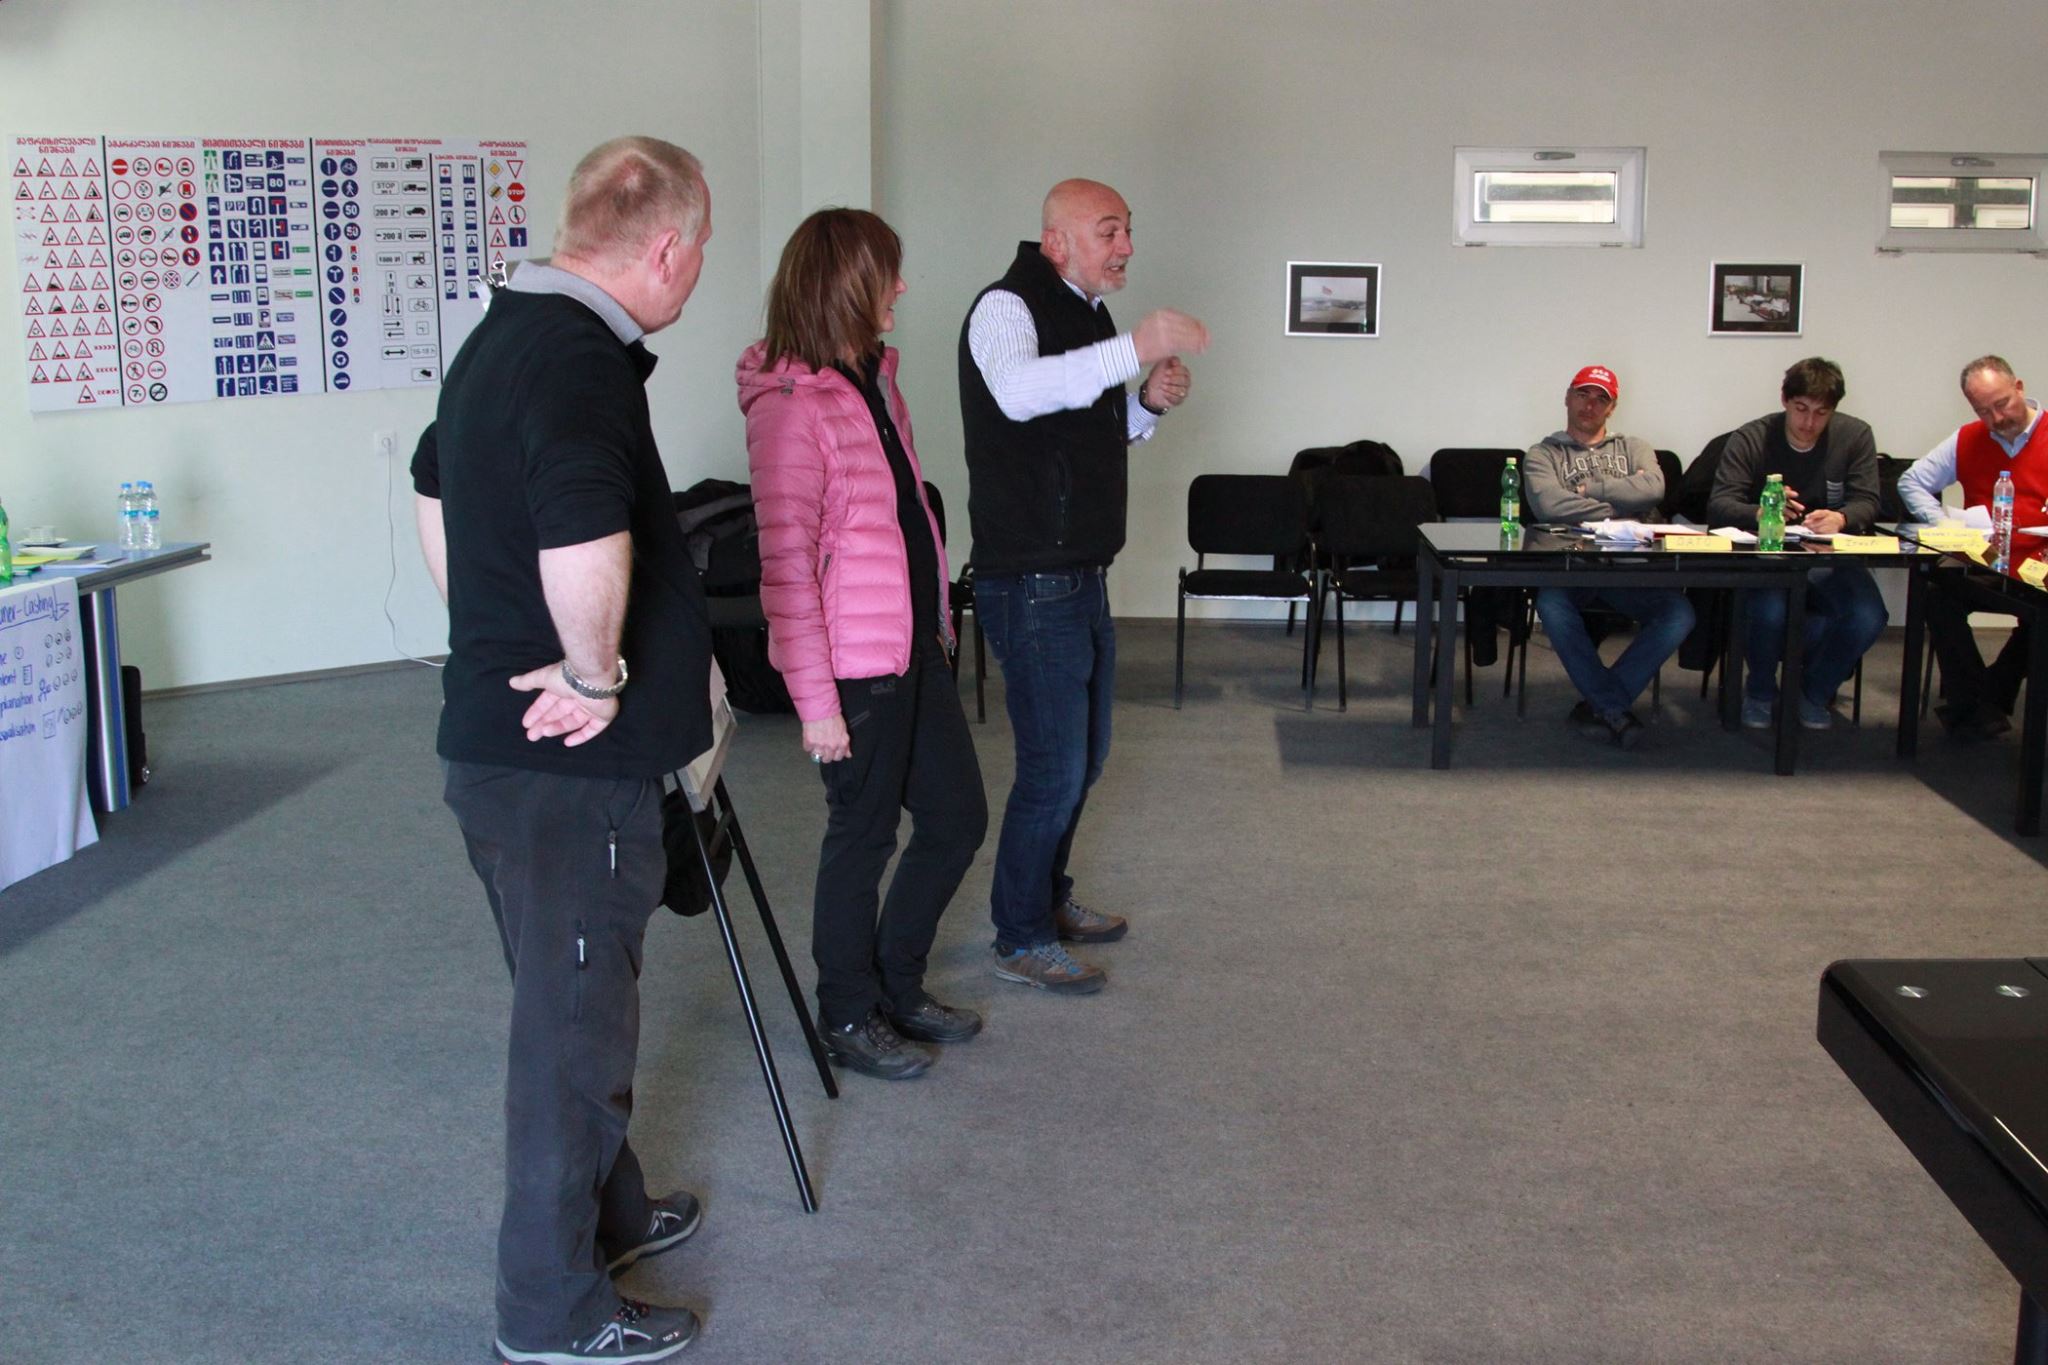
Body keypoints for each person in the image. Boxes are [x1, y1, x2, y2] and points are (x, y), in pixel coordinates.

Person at [413, 136, 714, 1365]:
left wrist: (489, 634)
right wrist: (592, 673)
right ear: (666, 247)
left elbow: (432, 483)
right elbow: (586, 520)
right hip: (563, 773)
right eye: (701, 249)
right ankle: (550, 1312)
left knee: (572, 1006)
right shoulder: (579, 359)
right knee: (568, 1043)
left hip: (505, 757)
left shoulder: (502, 334)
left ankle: (615, 1217)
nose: (697, 270)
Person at [737, 209, 988, 1081]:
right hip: (852, 668)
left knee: (956, 818)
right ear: (846, 285)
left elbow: (906, 520)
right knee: (864, 834)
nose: (902, 287)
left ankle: (896, 984)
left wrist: (940, 628)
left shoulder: (876, 380)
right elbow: (786, 566)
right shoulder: (790, 408)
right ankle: (846, 1011)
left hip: (913, 647)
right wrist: (816, 705)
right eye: (889, 272)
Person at [959, 178, 1207, 993]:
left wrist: (1146, 406)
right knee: (1053, 769)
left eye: (1128, 230)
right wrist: (1135, 349)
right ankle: (1019, 935)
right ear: (1057, 241)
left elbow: (1084, 433)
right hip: (1030, 581)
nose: (1126, 246)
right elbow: (1020, 394)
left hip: (1078, 576)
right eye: (1109, 231)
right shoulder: (1005, 307)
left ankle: (1045, 897)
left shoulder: (1088, 314)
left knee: (1085, 760)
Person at [1706, 357, 1886, 730]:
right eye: (1801, 409)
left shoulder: (1855, 436)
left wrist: (1842, 518)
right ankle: (1759, 692)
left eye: (1821, 413)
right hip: (1766, 558)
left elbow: (1868, 501)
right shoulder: (1752, 437)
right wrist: (1761, 512)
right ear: (1785, 400)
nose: (1808, 423)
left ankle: (1812, 692)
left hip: (1829, 557)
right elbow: (1720, 504)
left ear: (1834, 411)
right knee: (1769, 612)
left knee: (1868, 615)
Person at [1521, 364, 1694, 749]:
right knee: (1551, 606)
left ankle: (1601, 703)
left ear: (1612, 407)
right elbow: (1549, 505)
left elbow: (1653, 489)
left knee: (1679, 613)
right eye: (1583, 394)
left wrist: (1589, 491)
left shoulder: (1634, 447)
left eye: (1601, 399)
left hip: (1630, 569)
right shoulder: (1543, 453)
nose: (1590, 405)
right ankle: (1613, 706)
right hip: (1571, 567)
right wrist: (1621, 506)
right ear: (1567, 397)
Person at [1898, 355, 2048, 738]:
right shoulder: (1967, 438)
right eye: (1984, 411)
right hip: (1985, 563)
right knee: (1936, 595)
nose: (1997, 418)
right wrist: (1945, 525)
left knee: (2043, 614)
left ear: (2019, 388)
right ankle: (1978, 702)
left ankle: (1986, 700)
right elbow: (1911, 481)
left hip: (2040, 571)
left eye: (2002, 404)